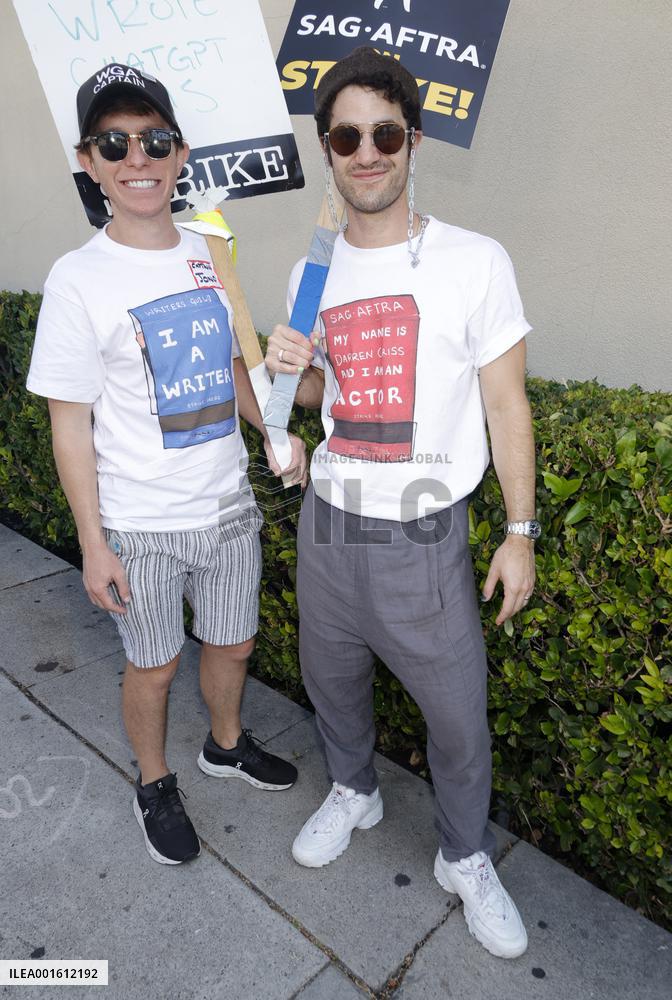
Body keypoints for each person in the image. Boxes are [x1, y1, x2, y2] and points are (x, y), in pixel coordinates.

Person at [266, 47, 539, 959]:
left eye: (385, 132)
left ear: (413, 141)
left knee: (457, 715)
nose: (367, 150)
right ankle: (355, 788)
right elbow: (320, 403)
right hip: (330, 522)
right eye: (347, 135)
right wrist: (286, 375)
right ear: (330, 150)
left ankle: (464, 857)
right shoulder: (315, 271)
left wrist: (520, 531)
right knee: (330, 680)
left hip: (425, 533)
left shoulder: (474, 260)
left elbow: (506, 404)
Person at [27, 63, 305, 867]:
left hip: (226, 509)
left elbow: (233, 366)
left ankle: (225, 743)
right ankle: (153, 780)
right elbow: (69, 426)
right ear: (90, 161)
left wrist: (273, 432)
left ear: (179, 151)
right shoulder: (78, 278)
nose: (135, 157)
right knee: (154, 666)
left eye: (152, 139)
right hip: (140, 525)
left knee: (233, 645)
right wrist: (94, 542)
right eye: (114, 142)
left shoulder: (209, 250)